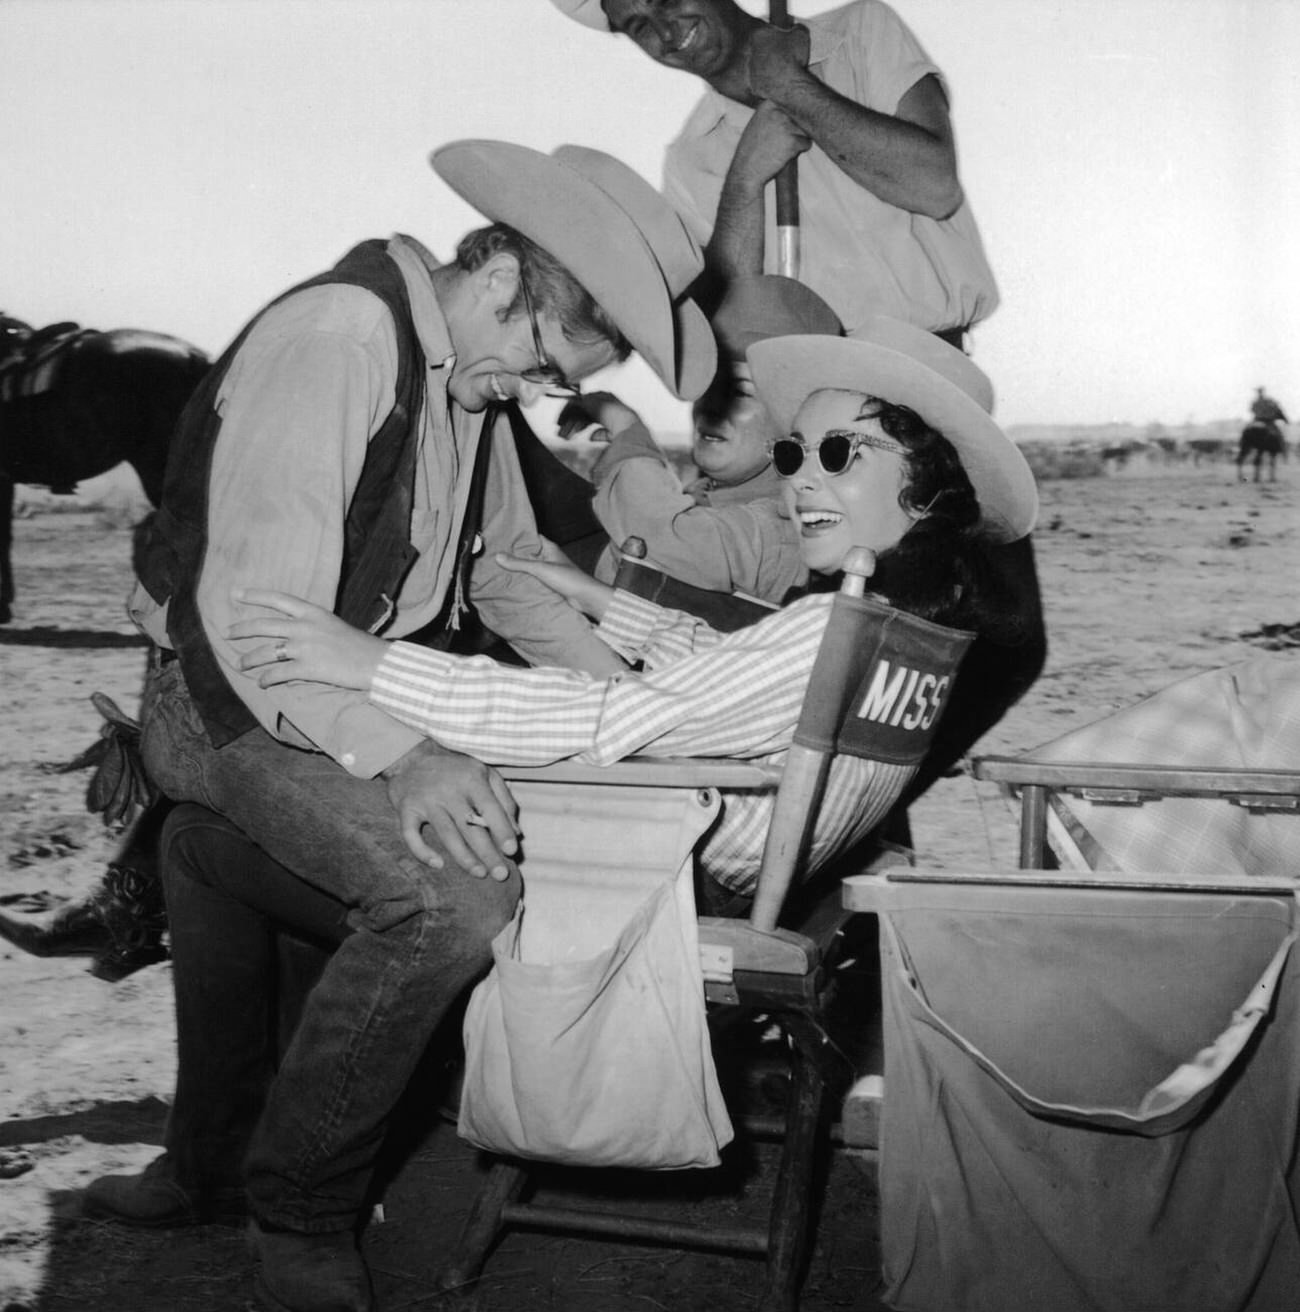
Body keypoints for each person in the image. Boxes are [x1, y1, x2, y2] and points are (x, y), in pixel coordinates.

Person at [82, 140, 715, 1312]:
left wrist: (639, 713)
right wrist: (410, 753)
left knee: (298, 850)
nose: (526, 392)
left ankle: (209, 1121)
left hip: (324, 692)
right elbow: (254, 623)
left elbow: (512, 565)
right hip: (219, 695)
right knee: (449, 901)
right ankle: (302, 1208)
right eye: (535, 360)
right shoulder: (344, 341)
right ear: (510, 275)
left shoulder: (467, 367)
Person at [224, 316, 1038, 907]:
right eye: (794, 454)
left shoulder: (836, 627)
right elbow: (739, 679)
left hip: (685, 872)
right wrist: (597, 599)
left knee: (278, 836)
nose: (800, 481)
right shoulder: (908, 624)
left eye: (838, 455)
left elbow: (606, 716)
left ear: (926, 487)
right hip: (756, 854)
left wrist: (371, 664)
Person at [548, 0, 998, 343]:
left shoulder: (863, 32)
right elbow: (732, 325)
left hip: (942, 368)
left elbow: (935, 187)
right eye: (639, 26)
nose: (665, 30)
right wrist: (745, 177)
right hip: (820, 397)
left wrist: (793, 89)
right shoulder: (690, 160)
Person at [567, 272, 841, 602]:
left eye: (739, 392)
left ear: (795, 424)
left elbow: (670, 540)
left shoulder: (784, 529)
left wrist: (626, 428)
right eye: (708, 386)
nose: (712, 408)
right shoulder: (707, 495)